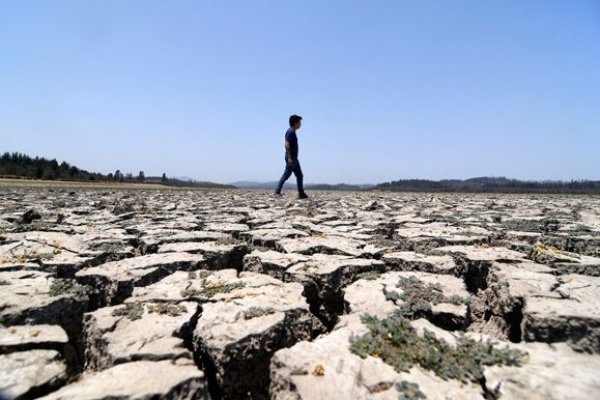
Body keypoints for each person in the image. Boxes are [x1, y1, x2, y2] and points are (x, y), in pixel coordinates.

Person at [274, 114, 308, 199]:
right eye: (299, 122)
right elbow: (286, 144)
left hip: (294, 158)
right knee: (286, 174)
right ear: (295, 123)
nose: (300, 124)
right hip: (291, 158)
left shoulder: (292, 132)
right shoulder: (290, 132)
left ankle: (301, 193)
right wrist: (289, 158)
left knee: (300, 175)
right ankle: (277, 192)